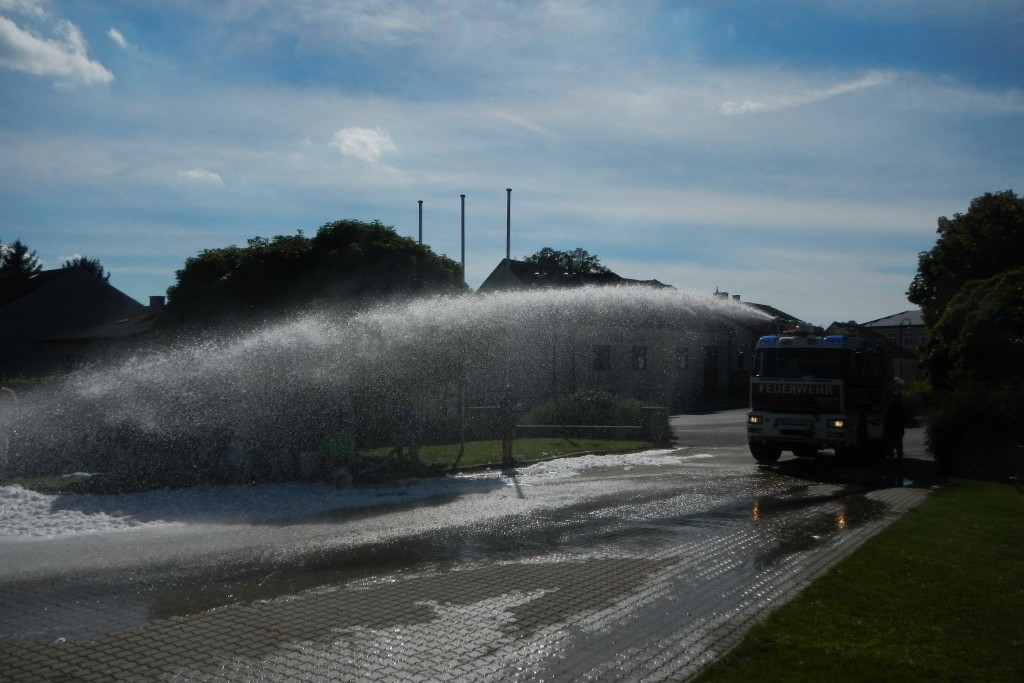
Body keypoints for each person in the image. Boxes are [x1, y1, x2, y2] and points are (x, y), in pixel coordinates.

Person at [884, 393, 906, 483]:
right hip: (897, 431)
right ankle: (898, 466)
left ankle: (892, 465)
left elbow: (887, 420)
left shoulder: (891, 408)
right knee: (898, 448)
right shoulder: (900, 408)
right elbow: (903, 420)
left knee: (892, 449)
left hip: (892, 432)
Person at [0, 383, 16, 476]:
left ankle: (2, 470)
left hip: (4, 425)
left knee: (3, 448)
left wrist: (11, 424)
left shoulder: (8, 393)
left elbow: (14, 410)